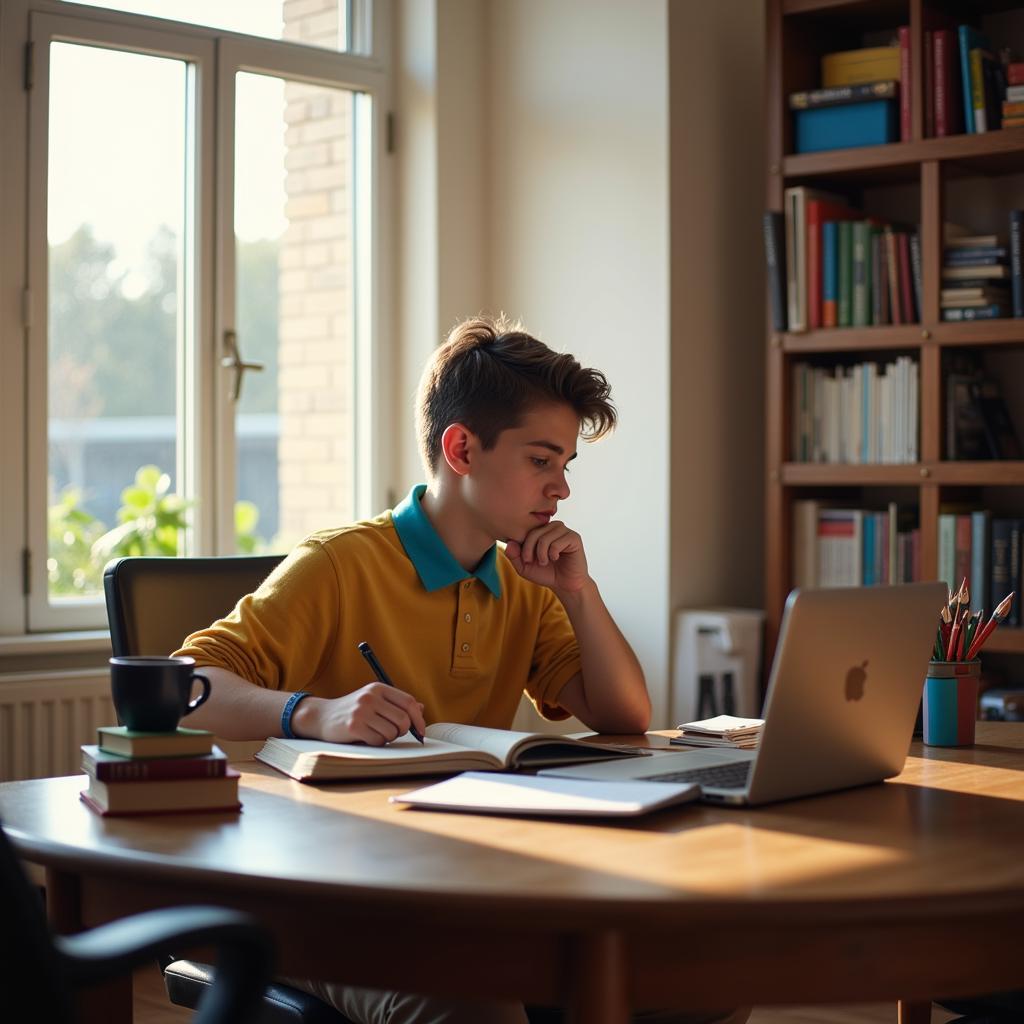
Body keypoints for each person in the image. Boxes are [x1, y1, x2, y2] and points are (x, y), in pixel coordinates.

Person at [176, 315, 748, 1024]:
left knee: (700, 985)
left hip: (467, 886)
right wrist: (312, 713)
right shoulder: (337, 564)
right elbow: (185, 688)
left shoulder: (522, 582)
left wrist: (580, 594)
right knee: (474, 1008)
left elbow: (625, 715)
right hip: (326, 904)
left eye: (566, 465)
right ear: (462, 449)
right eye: (542, 461)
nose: (560, 489)